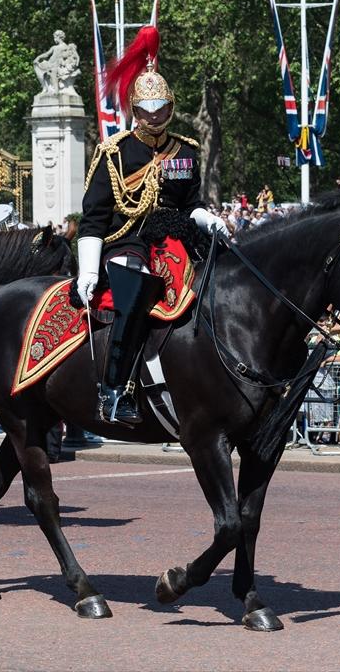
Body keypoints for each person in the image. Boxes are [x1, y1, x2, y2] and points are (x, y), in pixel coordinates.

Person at [75, 26, 227, 425]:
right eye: (147, 110)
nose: (155, 116)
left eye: (161, 108)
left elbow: (190, 204)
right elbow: (93, 217)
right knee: (136, 294)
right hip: (129, 241)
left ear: (171, 106)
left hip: (179, 237)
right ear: (134, 110)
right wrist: (88, 269)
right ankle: (115, 389)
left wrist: (208, 218)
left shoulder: (186, 151)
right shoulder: (115, 153)